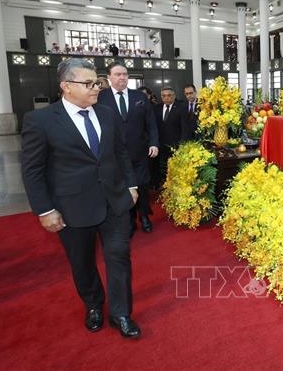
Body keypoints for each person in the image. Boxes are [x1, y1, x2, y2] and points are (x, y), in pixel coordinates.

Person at [20, 58, 141, 338]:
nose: (96, 88)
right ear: (66, 87)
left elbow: (121, 153)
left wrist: (131, 185)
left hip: (114, 201)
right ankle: (93, 304)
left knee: (119, 256)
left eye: (97, 82)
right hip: (72, 206)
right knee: (82, 262)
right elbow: (32, 170)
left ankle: (121, 313)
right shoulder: (41, 121)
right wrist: (44, 209)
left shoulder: (108, 114)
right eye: (88, 84)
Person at [98, 62, 159, 234]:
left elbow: (151, 123)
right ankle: (130, 219)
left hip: (140, 151)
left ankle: (145, 216)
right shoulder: (101, 98)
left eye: (125, 74)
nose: (122, 77)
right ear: (109, 77)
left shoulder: (139, 96)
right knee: (123, 187)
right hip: (114, 154)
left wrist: (154, 142)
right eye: (117, 74)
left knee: (142, 186)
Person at [155, 86, 188, 187]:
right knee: (162, 166)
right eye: (164, 96)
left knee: (176, 167)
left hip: (176, 145)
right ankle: (164, 185)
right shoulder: (157, 108)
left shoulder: (181, 108)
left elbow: (185, 128)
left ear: (174, 96)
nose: (166, 98)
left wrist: (182, 144)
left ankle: (176, 186)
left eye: (169, 95)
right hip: (161, 145)